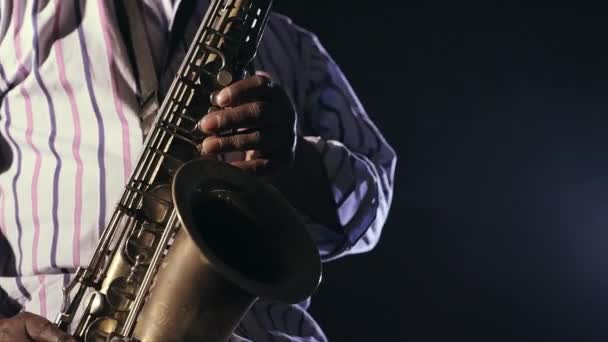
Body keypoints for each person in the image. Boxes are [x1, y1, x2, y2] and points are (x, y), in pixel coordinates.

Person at [0, 0, 396, 341]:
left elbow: (373, 204)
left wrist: (292, 161)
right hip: (66, 323)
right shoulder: (17, 13)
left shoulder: (290, 45)